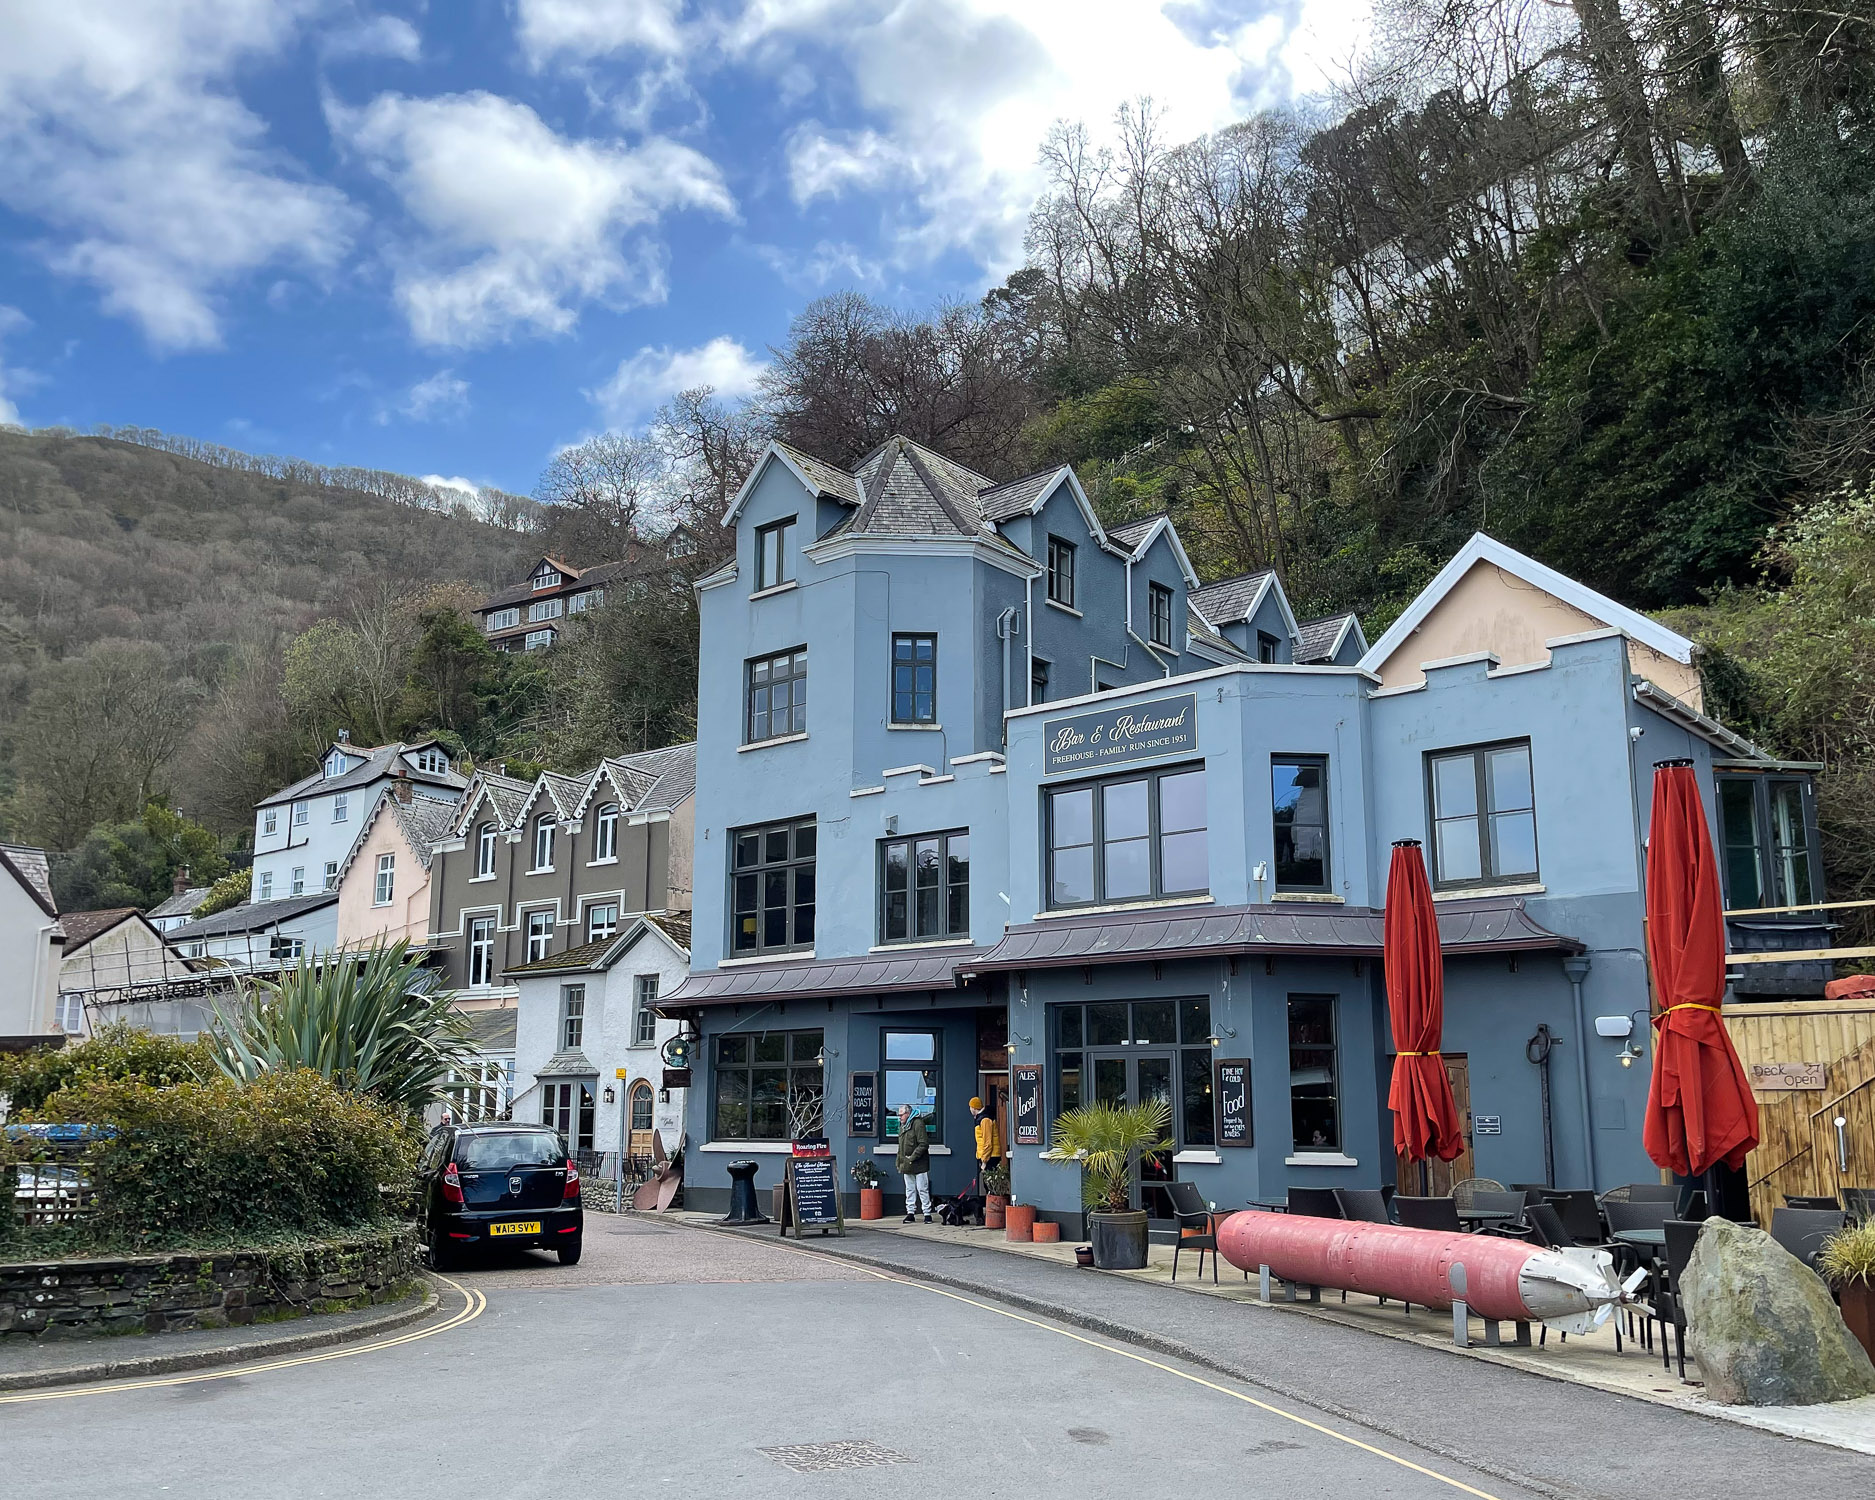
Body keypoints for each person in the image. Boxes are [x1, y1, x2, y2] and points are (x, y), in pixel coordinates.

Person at [896, 1103, 932, 1223]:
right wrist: (899, 1161)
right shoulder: (903, 1126)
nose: (899, 1117)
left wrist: (912, 1157)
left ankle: (927, 1214)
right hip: (906, 1163)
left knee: (922, 1189)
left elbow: (923, 1144)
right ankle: (910, 1213)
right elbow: (900, 1147)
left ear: (908, 1113)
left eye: (901, 1115)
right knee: (909, 1189)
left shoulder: (918, 1124)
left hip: (919, 1164)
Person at [970, 1095, 1002, 1191]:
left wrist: (984, 1161)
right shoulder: (981, 1119)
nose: (970, 1109)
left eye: (970, 1107)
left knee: (990, 1185)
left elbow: (987, 1142)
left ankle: (992, 1204)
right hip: (987, 1155)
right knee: (987, 1184)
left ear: (974, 1108)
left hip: (990, 1157)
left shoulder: (985, 1120)